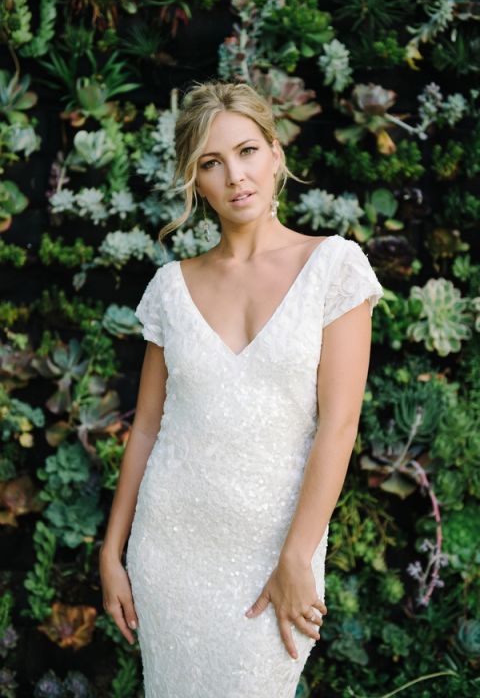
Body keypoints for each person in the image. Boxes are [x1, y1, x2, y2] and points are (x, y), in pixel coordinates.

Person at [99, 80, 384, 697]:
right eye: (211, 162)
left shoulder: (333, 269)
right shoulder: (171, 287)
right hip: (168, 552)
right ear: (193, 180)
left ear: (276, 153)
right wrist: (112, 551)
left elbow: (338, 427)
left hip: (275, 555)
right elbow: (147, 427)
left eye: (248, 151)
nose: (236, 176)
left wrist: (297, 557)